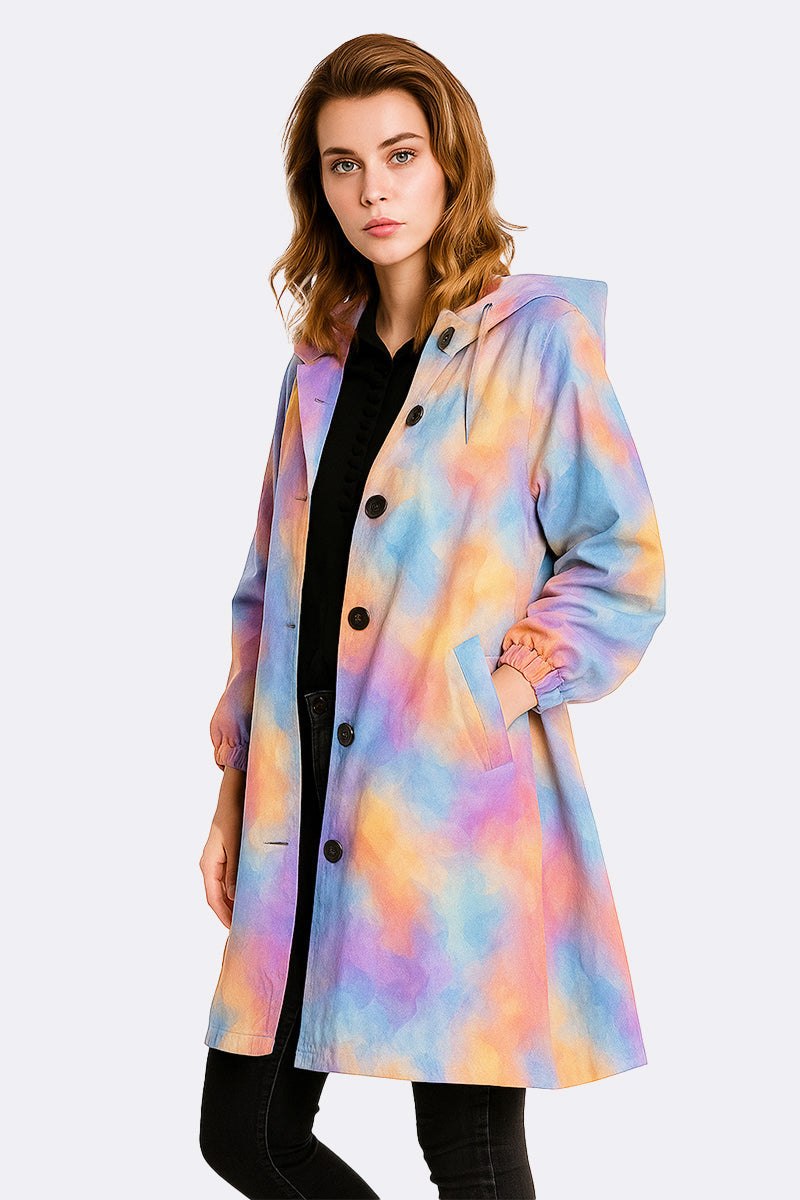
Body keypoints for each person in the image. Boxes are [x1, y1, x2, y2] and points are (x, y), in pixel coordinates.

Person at [198, 32, 666, 1200]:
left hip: (451, 803)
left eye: (398, 155)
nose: (374, 190)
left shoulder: (535, 341)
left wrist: (489, 695)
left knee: (466, 1151)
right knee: (247, 1132)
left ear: (449, 161)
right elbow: (268, 589)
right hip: (296, 789)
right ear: (318, 186)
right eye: (343, 165)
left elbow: (620, 559)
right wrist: (232, 794)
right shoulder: (318, 359)